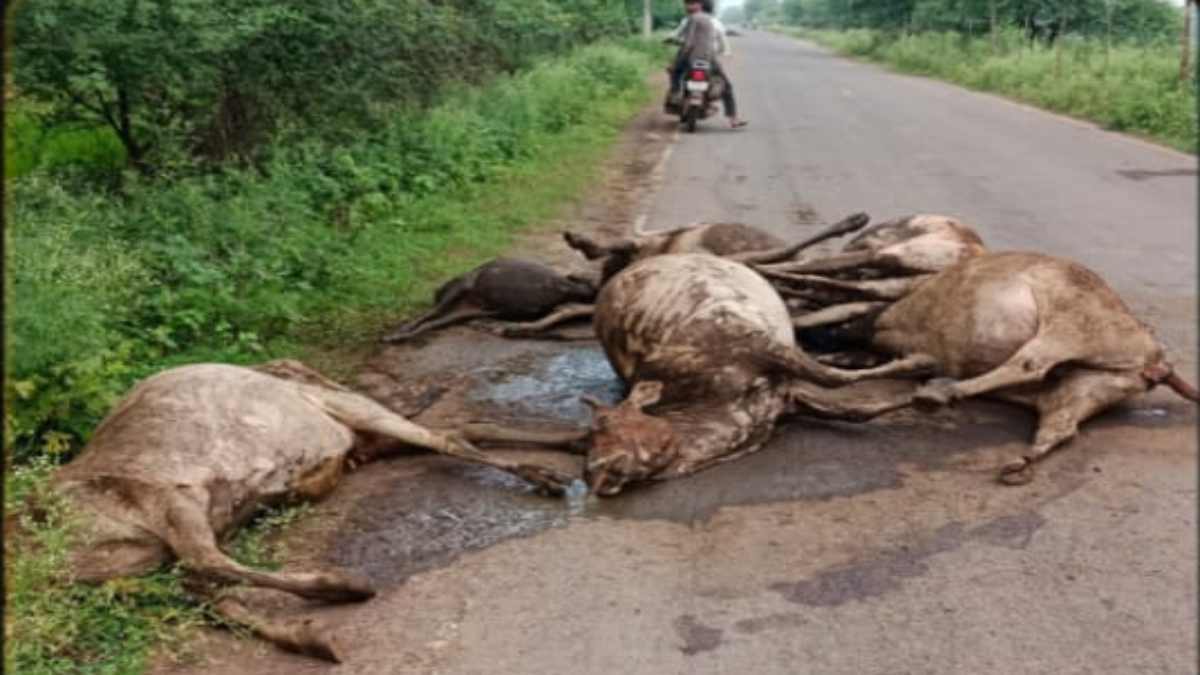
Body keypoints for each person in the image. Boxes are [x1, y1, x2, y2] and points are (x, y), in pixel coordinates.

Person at [666, 0, 746, 129]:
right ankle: (733, 118)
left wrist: (678, 58)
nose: (688, 6)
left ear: (700, 5)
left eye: (691, 3)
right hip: (709, 58)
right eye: (687, 3)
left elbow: (687, 41)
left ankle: (675, 94)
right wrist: (725, 53)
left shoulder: (690, 19)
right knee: (726, 85)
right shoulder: (712, 21)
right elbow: (722, 44)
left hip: (691, 58)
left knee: (674, 71)